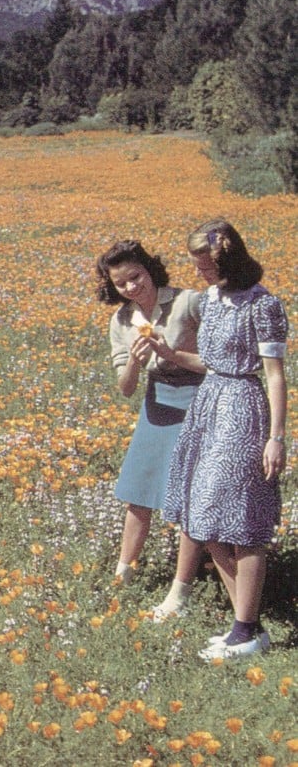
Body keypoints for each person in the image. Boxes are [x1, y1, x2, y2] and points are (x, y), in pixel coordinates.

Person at [161, 218, 288, 658]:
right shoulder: (212, 299)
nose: (200, 274)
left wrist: (276, 437)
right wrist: (171, 354)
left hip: (243, 410)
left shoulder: (262, 305)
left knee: (243, 519)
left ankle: (245, 630)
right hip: (209, 408)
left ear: (228, 259)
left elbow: (274, 376)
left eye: (206, 266)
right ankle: (248, 628)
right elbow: (210, 361)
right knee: (204, 515)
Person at [96, 240, 204, 584]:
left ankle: (182, 587)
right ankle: (122, 576)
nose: (131, 287)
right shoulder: (122, 320)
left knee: (191, 496)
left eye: (136, 276)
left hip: (199, 402)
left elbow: (220, 363)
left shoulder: (188, 302)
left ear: (149, 269)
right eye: (120, 283)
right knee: (138, 492)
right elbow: (126, 388)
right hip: (157, 404)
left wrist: (171, 354)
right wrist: (134, 363)